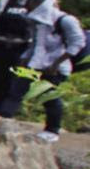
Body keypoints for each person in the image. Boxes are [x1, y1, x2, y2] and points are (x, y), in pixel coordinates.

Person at [29, 9, 86, 141]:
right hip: (44, 65)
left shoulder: (65, 21)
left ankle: (53, 130)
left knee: (51, 96)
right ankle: (51, 129)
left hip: (58, 67)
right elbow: (38, 45)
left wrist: (55, 64)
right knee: (46, 96)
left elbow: (77, 43)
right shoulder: (42, 25)